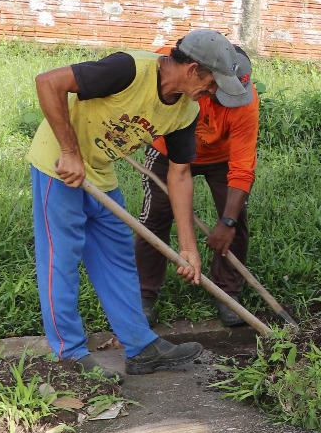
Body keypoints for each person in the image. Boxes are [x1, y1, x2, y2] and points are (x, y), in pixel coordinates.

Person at [29, 30, 251, 376]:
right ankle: (69, 355)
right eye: (210, 84)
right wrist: (70, 152)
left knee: (118, 260)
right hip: (58, 166)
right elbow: (48, 83)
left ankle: (140, 346)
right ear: (193, 69)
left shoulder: (184, 111)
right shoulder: (129, 69)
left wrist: (188, 247)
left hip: (99, 172)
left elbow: (179, 177)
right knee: (62, 259)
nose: (211, 93)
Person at [137, 46, 259, 328]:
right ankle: (144, 294)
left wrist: (227, 221)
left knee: (236, 219)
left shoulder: (245, 103)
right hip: (169, 150)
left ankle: (228, 292)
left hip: (221, 157)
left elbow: (242, 168)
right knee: (154, 216)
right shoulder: (180, 72)